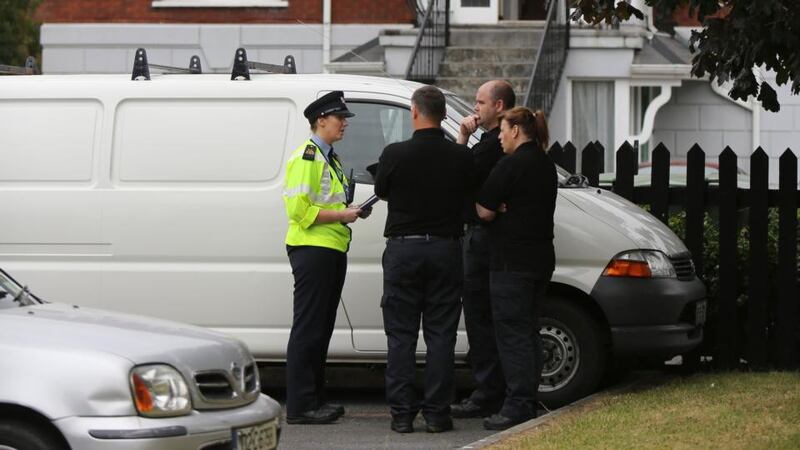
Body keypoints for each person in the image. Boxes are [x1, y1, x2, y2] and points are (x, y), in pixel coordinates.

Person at [374, 85, 473, 434]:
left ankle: (401, 415)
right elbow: (468, 191)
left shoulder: (395, 153)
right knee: (441, 335)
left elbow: (381, 190)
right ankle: (437, 414)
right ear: (444, 115)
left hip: (404, 249)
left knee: (400, 336)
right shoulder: (461, 157)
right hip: (446, 249)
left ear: (414, 112)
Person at [282, 90, 369, 424]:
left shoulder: (327, 156)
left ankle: (315, 399)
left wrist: (348, 212)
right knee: (309, 327)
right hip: (313, 249)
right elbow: (299, 210)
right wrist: (343, 216)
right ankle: (302, 406)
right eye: (340, 118)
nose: (344, 124)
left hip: (330, 248)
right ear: (321, 120)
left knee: (321, 327)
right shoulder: (308, 157)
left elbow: (327, 203)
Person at [475, 106, 557, 431]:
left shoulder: (510, 164)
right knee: (529, 330)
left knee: (512, 335)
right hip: (540, 258)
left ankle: (517, 405)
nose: (499, 137)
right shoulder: (545, 163)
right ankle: (529, 398)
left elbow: (483, 210)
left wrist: (498, 208)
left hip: (511, 262)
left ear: (516, 131)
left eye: (503, 131)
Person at [451, 80, 516, 419]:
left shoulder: (491, 146)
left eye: (480, 102)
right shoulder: (493, 143)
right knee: (485, 315)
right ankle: (492, 386)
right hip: (485, 237)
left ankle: (487, 390)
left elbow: (460, 174)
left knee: (480, 314)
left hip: (482, 238)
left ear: (499, 106)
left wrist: (462, 137)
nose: (474, 108)